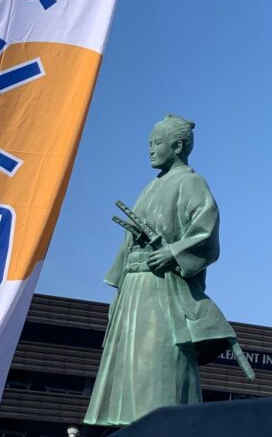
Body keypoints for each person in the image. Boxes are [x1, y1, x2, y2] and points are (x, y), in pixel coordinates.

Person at [85, 115, 239, 426]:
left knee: (156, 369)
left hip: (162, 290)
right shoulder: (148, 189)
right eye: (149, 144)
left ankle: (159, 425)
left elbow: (206, 232)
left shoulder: (192, 183)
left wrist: (173, 252)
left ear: (178, 145)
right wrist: (118, 289)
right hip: (134, 290)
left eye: (157, 143)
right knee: (126, 371)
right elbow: (127, 244)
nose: (151, 150)